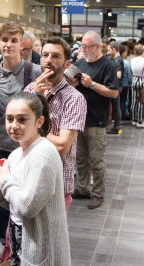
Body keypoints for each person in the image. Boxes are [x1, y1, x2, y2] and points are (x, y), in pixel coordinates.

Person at [0, 91, 71, 266]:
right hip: (19, 237)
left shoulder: (44, 153)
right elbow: (15, 204)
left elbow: (28, 208)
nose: (14, 125)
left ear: (39, 121)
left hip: (40, 248)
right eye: (9, 119)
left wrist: (5, 177)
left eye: (22, 119)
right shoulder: (15, 154)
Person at [0, 21, 42, 265]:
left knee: (26, 195)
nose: (9, 44)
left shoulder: (33, 71)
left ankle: (26, 241)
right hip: (2, 143)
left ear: (21, 44)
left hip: (28, 147)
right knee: (1, 192)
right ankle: (1, 240)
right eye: (5, 40)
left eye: (14, 40)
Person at [24, 36, 87, 211]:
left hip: (55, 183)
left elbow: (62, 146)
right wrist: (36, 98)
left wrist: (29, 130)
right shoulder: (30, 90)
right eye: (45, 55)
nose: (49, 60)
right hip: (26, 175)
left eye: (56, 56)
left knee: (49, 237)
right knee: (17, 234)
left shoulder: (74, 99)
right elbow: (16, 134)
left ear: (67, 64)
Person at [73, 31, 118, 209]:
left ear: (98, 47)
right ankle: (83, 188)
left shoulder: (107, 65)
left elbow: (113, 92)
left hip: (96, 121)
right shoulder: (80, 63)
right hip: (78, 120)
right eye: (82, 46)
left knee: (97, 161)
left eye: (87, 46)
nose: (83, 49)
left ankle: (98, 193)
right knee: (81, 159)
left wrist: (91, 84)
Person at [130, 44, 144, 127]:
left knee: (134, 100)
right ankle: (140, 121)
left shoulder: (132, 60)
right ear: (142, 51)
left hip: (134, 80)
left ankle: (134, 119)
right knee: (141, 101)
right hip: (143, 81)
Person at [107, 41, 124, 135]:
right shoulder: (119, 59)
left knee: (116, 107)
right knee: (116, 106)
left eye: (109, 50)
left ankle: (117, 126)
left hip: (116, 86)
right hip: (118, 86)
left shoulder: (117, 60)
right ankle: (116, 126)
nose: (108, 52)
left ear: (114, 49)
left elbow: (118, 75)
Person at [120, 44, 132, 120]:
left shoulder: (114, 61)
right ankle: (122, 117)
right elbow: (129, 75)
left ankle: (116, 118)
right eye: (126, 52)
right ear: (123, 52)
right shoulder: (126, 62)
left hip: (117, 84)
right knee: (123, 101)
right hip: (125, 84)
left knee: (117, 101)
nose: (126, 54)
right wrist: (129, 84)